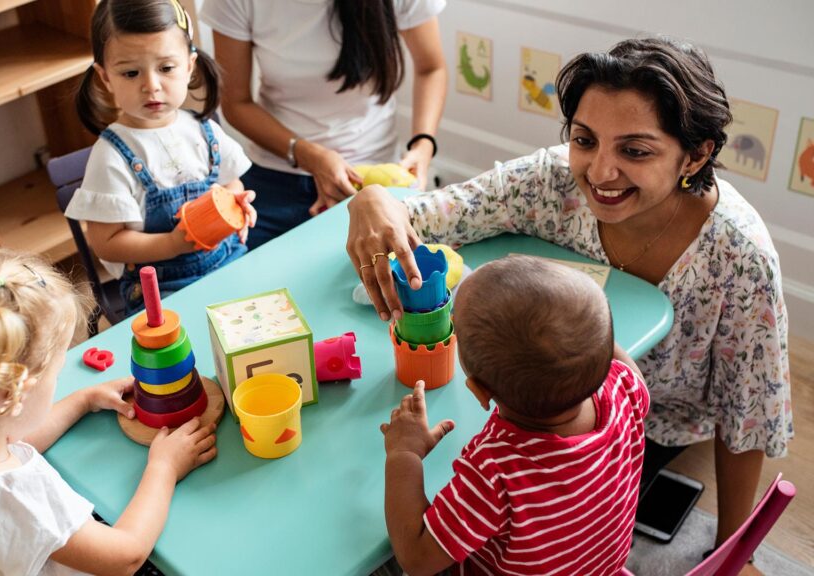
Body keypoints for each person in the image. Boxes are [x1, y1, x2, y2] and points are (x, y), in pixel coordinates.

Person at [348, 37, 791, 574]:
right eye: (584, 139)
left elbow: (746, 416)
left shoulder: (740, 255)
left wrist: (731, 551)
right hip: (574, 404)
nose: (600, 173)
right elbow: (432, 214)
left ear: (695, 154)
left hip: (655, 427)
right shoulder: (550, 181)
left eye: (635, 150)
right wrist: (372, 199)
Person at [0, 243, 217, 575]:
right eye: (57, 374)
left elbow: (10, 440)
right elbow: (125, 555)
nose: (60, 382)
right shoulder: (15, 500)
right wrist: (164, 467)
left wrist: (82, 400)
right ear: (12, 394)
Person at [382, 255, 649, 575]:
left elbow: (416, 558)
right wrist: (582, 327)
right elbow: (610, 357)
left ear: (480, 392)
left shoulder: (495, 470)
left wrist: (404, 453)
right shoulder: (626, 389)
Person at [200, 0, 447, 249]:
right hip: (275, 177)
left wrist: (423, 145)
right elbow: (236, 102)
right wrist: (307, 154)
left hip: (372, 176)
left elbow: (431, 68)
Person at [69, 0, 257, 311]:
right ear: (105, 78)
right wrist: (171, 244)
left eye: (166, 68)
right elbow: (106, 242)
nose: (151, 86)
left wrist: (236, 205)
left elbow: (232, 184)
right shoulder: (111, 156)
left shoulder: (203, 131)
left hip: (229, 262)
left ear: (189, 66)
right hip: (162, 291)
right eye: (131, 73)